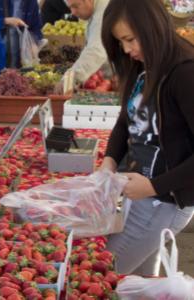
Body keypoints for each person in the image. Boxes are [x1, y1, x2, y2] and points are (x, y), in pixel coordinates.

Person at [99, 0, 194, 276]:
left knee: (100, 274)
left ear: (151, 27)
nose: (127, 50)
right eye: (121, 42)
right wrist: (109, 161)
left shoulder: (185, 73)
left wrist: (154, 186)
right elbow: (126, 119)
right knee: (137, 285)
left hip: (164, 201)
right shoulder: (144, 64)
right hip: (139, 196)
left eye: (130, 39)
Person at [54, 0, 109, 93]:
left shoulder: (102, 14)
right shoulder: (95, 11)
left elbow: (96, 51)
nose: (73, 12)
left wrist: (71, 78)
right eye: (70, 7)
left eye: (75, 6)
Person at [0, 0, 43, 69]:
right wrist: (6, 21)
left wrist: (34, 43)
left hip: (20, 56)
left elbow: (36, 27)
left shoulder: (31, 2)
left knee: (15, 76)